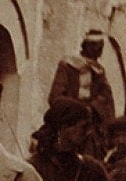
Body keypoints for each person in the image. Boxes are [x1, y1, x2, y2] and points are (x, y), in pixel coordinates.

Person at [48, 29, 116, 157]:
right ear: (86, 45)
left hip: (91, 128)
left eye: (101, 46)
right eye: (96, 46)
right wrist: (80, 108)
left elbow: (107, 100)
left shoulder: (99, 72)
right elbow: (55, 98)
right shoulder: (67, 66)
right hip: (67, 123)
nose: (100, 51)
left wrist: (93, 108)